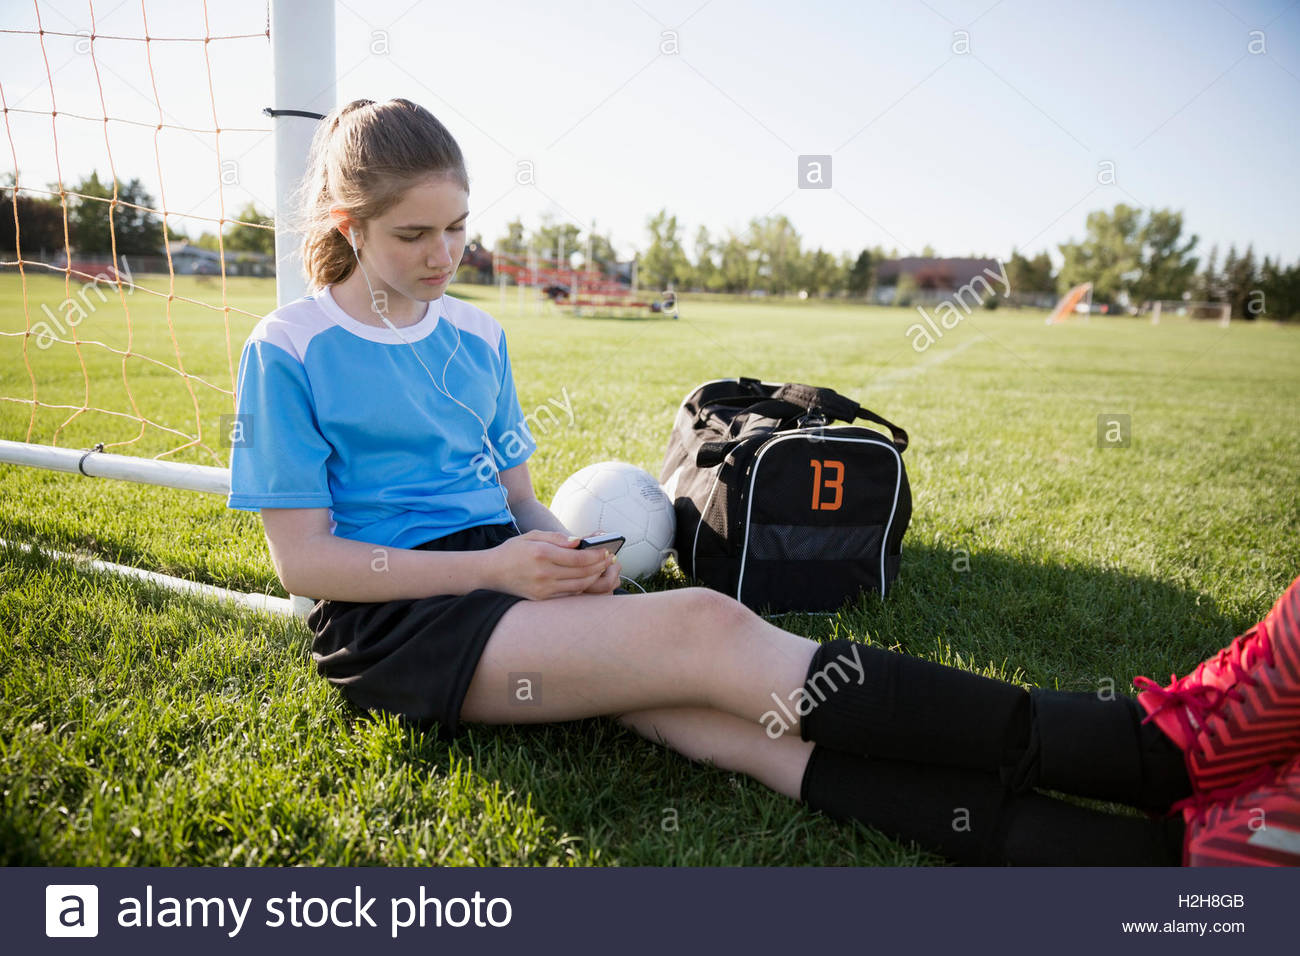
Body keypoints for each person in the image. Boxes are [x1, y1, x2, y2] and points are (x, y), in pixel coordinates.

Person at [227, 98, 1300, 867]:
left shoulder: (474, 332)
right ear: (346, 227)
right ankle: (1151, 747)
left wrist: (561, 551)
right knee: (704, 631)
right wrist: (496, 571)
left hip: (507, 583)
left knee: (733, 728)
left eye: (457, 226)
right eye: (414, 234)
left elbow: (516, 499)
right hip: (397, 626)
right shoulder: (291, 347)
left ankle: (1163, 860)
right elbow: (305, 562)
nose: (442, 253)